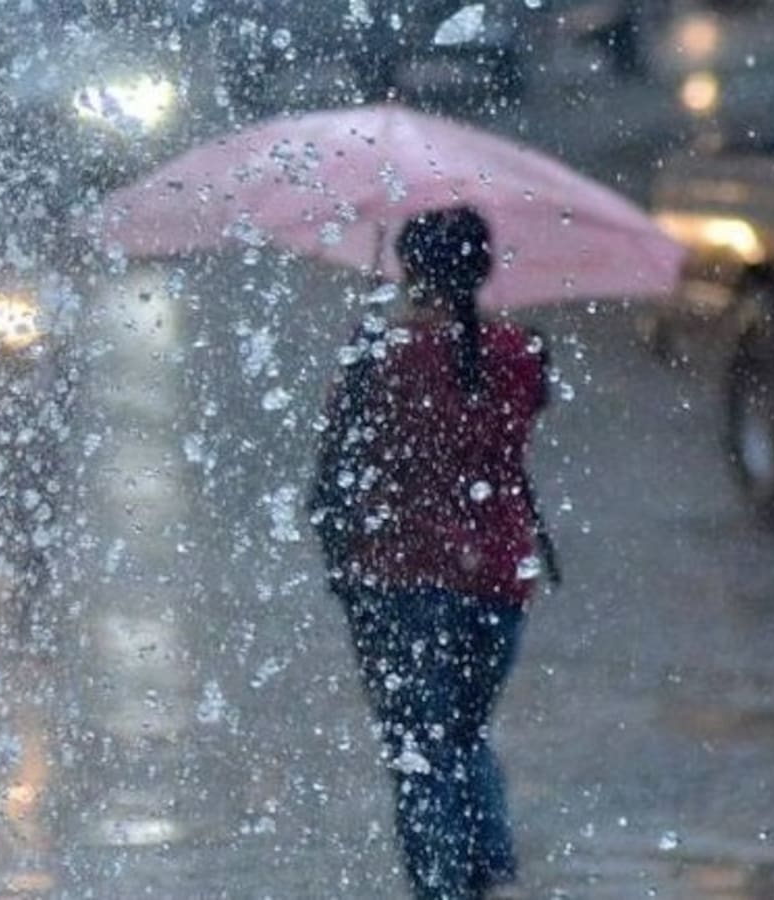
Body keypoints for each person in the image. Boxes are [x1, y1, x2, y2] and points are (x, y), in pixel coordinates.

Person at [309, 206, 553, 899]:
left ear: (410, 270)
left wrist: (369, 339)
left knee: (419, 749)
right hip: (499, 577)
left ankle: (442, 888)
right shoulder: (519, 354)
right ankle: (489, 871)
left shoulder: (380, 356)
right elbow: (516, 412)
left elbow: (342, 449)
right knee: (465, 733)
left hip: (396, 575)